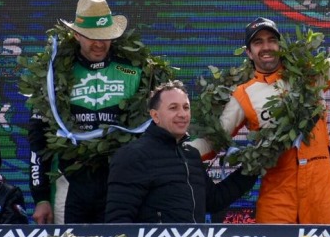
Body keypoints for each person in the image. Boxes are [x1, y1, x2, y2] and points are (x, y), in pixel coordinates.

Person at [203, 0, 330, 224]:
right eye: (258, 42)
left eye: (272, 40)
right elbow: (214, 140)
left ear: (280, 46)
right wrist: (177, 152)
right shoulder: (243, 94)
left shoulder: (310, 74)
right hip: (277, 188)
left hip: (319, 185)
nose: (266, 47)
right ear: (249, 53)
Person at [23, 0, 173, 224]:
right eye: (91, 37)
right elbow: (38, 141)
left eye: (105, 37)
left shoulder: (136, 72)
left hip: (122, 183)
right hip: (71, 181)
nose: (99, 44)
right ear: (76, 35)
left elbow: (157, 134)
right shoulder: (55, 76)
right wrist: (41, 198)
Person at [105, 80, 257, 223]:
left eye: (186, 107)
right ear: (155, 115)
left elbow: (213, 201)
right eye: (173, 108)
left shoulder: (191, 155)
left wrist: (252, 169)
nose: (182, 114)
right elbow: (118, 221)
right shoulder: (133, 155)